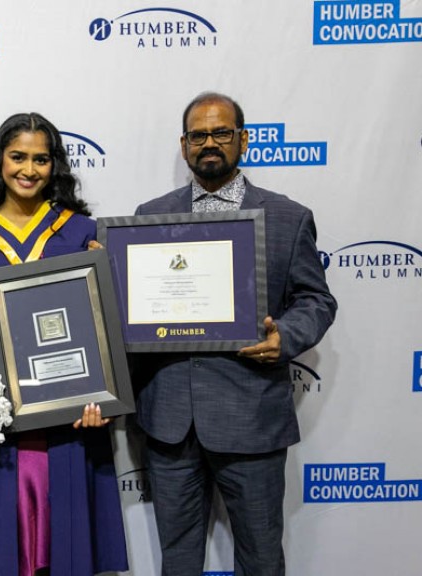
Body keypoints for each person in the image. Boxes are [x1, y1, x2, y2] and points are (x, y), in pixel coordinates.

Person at [133, 92, 337, 576]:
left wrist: (285, 338)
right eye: (198, 135)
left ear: (242, 139)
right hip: (169, 422)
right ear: (183, 146)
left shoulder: (289, 217)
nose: (210, 143)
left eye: (221, 133)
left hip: (252, 416)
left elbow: (316, 300)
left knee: (261, 557)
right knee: (177, 560)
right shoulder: (148, 216)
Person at [0, 112, 129, 576]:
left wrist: (103, 393)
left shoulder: (81, 233)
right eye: (17, 157)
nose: (28, 169)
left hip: (69, 418)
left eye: (41, 159)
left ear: (56, 166)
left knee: (67, 546)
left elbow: (104, 330)